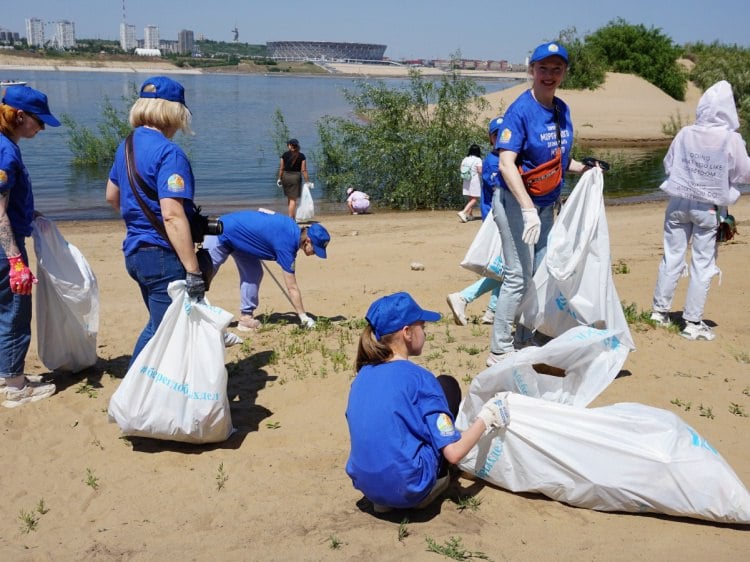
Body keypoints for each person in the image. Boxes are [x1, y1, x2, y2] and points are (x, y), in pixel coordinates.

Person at [345, 292, 510, 513]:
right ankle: (434, 485)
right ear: (407, 333)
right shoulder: (420, 379)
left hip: (366, 484)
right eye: (422, 326)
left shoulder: (362, 375)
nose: (425, 333)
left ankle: (385, 498)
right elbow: (454, 453)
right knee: (448, 385)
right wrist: (487, 416)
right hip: (411, 488)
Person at [488, 42, 592, 366]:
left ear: (564, 73)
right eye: (543, 68)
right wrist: (528, 210)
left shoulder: (562, 110)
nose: (549, 75)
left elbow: (559, 159)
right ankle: (499, 350)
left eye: (556, 69)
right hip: (516, 205)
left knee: (543, 273)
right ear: (532, 70)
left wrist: (586, 170)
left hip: (546, 205)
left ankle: (524, 336)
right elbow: (506, 163)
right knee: (518, 275)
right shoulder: (520, 110)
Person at [106, 76, 204, 362]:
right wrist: (193, 269)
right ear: (174, 112)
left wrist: (140, 222)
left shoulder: (126, 146)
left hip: (135, 252)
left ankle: (152, 391)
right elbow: (172, 215)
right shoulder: (169, 152)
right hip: (161, 254)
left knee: (162, 323)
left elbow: (112, 196)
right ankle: (135, 393)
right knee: (162, 330)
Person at [650, 80, 750, 341]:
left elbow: (668, 164)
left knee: (672, 256)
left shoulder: (685, 133)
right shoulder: (731, 138)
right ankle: (692, 322)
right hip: (708, 207)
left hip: (677, 202)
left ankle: (659, 312)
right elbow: (744, 173)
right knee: (703, 264)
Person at [0, 85, 60, 407]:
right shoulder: (6, 151)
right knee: (15, 311)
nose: (42, 128)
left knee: (4, 309)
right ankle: (15, 387)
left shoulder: (4, 144)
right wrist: (15, 260)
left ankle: (7, 373)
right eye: (39, 121)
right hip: (3, 245)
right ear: (19, 115)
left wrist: (28, 212)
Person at [202, 209, 330, 330]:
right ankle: (189, 314)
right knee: (203, 277)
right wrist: (303, 317)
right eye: (316, 249)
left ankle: (246, 319)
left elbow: (263, 211)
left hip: (242, 241)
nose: (315, 254)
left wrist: (259, 240)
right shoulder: (287, 245)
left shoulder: (292, 227)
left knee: (254, 273)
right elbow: (292, 287)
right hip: (221, 231)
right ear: (308, 241)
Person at [447, 117, 504, 326]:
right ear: (490, 138)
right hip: (497, 222)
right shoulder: (492, 161)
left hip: (504, 219)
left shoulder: (505, 158)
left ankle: (491, 311)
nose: (502, 138)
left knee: (503, 269)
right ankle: (464, 297)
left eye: (506, 133)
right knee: (505, 269)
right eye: (497, 134)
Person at [277, 138, 311, 219]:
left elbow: (281, 168)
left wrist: (279, 178)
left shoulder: (284, 155)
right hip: (295, 178)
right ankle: (291, 218)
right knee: (293, 200)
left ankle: (292, 217)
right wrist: (307, 181)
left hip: (285, 176)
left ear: (289, 146)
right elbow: (303, 170)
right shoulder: (301, 156)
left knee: (289, 198)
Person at [458, 144, 482, 222]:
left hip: (466, 179)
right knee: (475, 198)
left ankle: (470, 215)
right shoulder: (478, 159)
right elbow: (480, 171)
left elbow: (461, 168)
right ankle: (463, 212)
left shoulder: (465, 158)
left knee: (471, 197)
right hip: (474, 180)